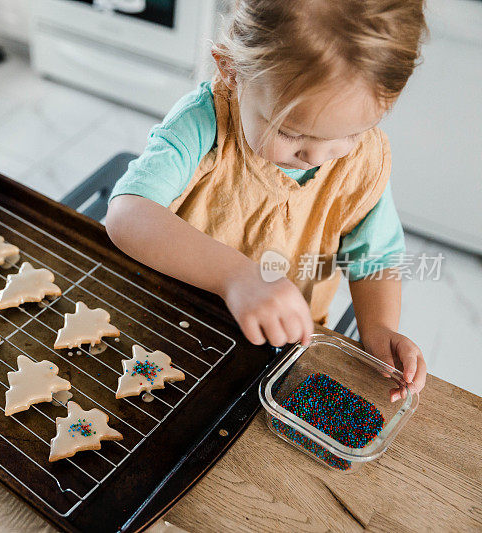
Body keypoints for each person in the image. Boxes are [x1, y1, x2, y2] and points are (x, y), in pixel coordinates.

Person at [106, 0, 428, 400]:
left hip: (283, 351)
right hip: (175, 329)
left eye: (354, 133)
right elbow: (127, 214)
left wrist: (379, 330)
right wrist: (236, 277)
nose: (318, 156)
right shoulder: (204, 124)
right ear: (232, 70)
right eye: (292, 133)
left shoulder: (363, 163)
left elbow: (375, 261)